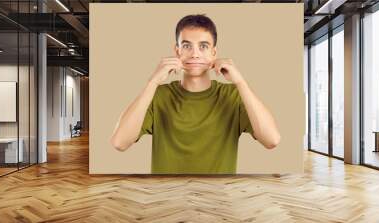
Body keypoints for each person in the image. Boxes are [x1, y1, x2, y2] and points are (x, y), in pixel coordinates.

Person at [110, 14, 281, 174]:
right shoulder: (157, 95)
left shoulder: (233, 96)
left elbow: (271, 140)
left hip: (218, 199)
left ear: (214, 52)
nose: (195, 54)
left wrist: (241, 82)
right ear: (177, 51)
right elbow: (120, 143)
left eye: (203, 46)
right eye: (186, 46)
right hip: (165, 198)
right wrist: (152, 82)